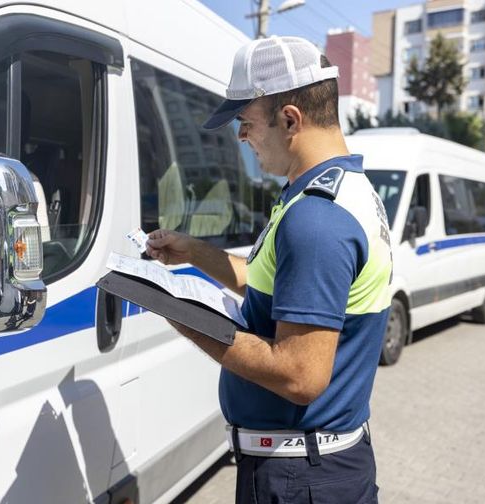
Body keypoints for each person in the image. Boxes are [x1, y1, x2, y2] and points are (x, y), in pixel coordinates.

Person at [146, 36, 391, 503]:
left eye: (245, 122)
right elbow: (274, 285)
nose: (240, 137)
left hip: (300, 479)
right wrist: (195, 252)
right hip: (314, 468)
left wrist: (178, 313)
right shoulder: (336, 191)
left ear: (289, 119)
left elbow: (300, 375)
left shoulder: (316, 219)